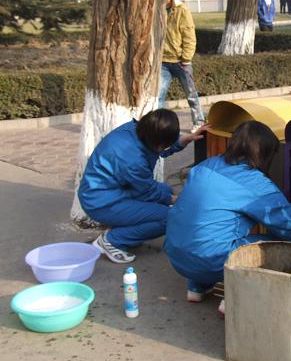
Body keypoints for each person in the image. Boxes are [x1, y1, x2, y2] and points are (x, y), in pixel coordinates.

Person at [164, 121, 291, 313]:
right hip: (209, 262)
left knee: (206, 232)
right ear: (264, 153)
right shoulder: (255, 184)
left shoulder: (205, 166)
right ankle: (235, 295)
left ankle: (197, 287)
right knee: (278, 243)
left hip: (175, 254)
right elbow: (290, 224)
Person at [78, 109, 206, 264]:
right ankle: (111, 241)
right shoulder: (133, 159)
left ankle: (129, 230)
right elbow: (147, 193)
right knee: (171, 217)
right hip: (100, 202)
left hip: (111, 190)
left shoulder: (136, 130)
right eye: (164, 144)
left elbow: (156, 151)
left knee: (165, 191)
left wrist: (185, 139)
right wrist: (180, 200)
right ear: (158, 142)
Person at [158, 0, 206, 133]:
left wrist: (186, 58)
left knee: (191, 94)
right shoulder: (155, 9)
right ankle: (158, 126)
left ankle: (199, 122)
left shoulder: (182, 9)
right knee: (158, 97)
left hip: (181, 62)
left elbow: (189, 36)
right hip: (163, 63)